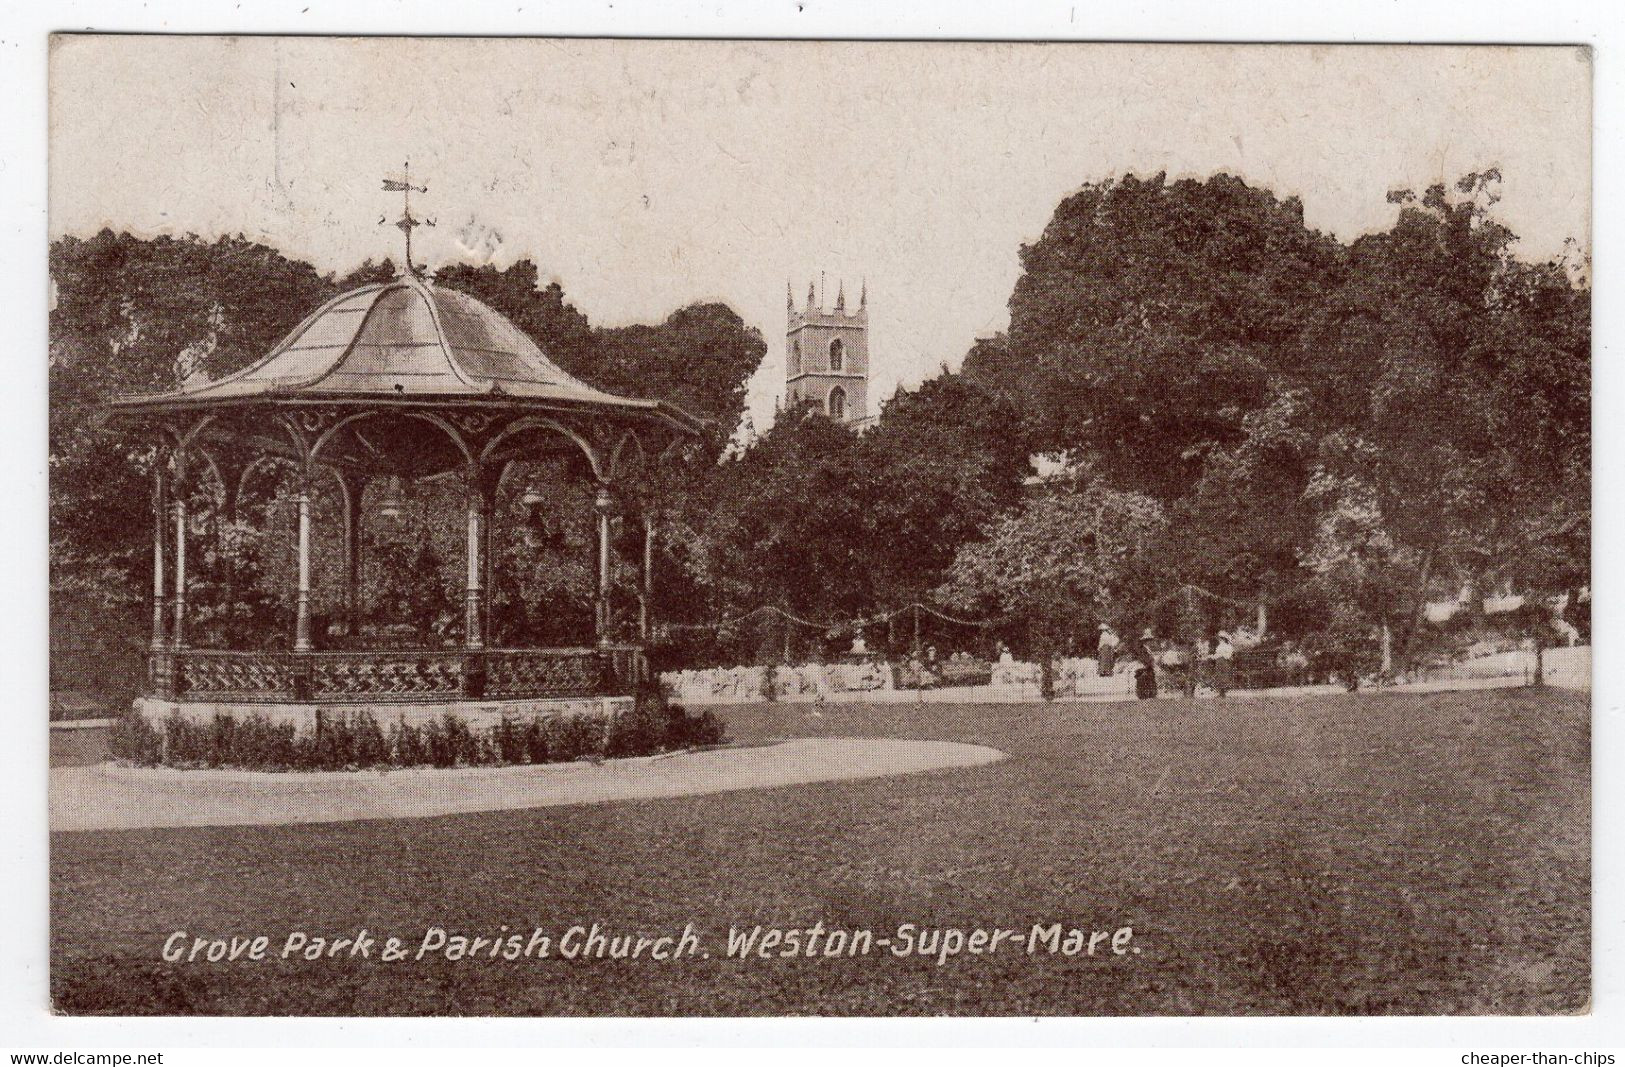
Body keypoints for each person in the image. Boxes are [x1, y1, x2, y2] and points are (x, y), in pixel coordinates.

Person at [1135, 627, 1159, 700]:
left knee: (1150, 681)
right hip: (1145, 668)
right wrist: (1149, 662)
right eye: (1147, 640)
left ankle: (1150, 695)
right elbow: (1143, 659)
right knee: (1145, 682)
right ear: (1144, 641)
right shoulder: (1142, 649)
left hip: (1149, 668)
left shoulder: (1148, 649)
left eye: (1150, 640)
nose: (1149, 642)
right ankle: (1144, 695)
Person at [1212, 630, 1235, 697]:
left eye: (1221, 638)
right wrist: (1212, 657)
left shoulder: (1228, 646)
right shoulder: (1219, 646)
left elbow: (1229, 655)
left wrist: (1224, 656)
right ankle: (1221, 693)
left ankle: (1223, 693)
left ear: (1224, 639)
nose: (1220, 639)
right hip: (1219, 662)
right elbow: (1217, 654)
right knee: (1219, 676)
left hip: (1224, 661)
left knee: (1224, 676)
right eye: (1219, 638)